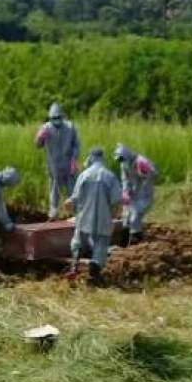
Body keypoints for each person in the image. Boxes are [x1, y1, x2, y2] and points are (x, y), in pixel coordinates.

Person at [66, 147, 121, 285]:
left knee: (78, 239)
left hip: (84, 215)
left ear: (90, 158)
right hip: (103, 217)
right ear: (102, 159)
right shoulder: (110, 176)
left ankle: (74, 266)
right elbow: (116, 201)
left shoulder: (84, 175)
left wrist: (69, 203)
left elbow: (74, 198)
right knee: (101, 243)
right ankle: (93, 272)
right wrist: (113, 219)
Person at [35, 102, 80, 220]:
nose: (56, 120)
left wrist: (74, 159)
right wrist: (40, 137)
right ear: (50, 118)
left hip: (68, 164)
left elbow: (76, 145)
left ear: (62, 116)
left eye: (58, 117)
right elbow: (38, 145)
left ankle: (76, 213)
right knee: (54, 189)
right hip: (54, 165)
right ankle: (53, 212)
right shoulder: (46, 128)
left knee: (72, 188)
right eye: (54, 118)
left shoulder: (70, 127)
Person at [113, 143, 157, 244]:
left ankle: (136, 239)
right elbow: (125, 179)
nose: (121, 161)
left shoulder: (141, 161)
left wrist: (146, 172)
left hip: (144, 193)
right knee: (126, 215)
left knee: (135, 215)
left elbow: (154, 174)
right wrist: (125, 191)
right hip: (132, 192)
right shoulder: (124, 164)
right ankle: (124, 240)